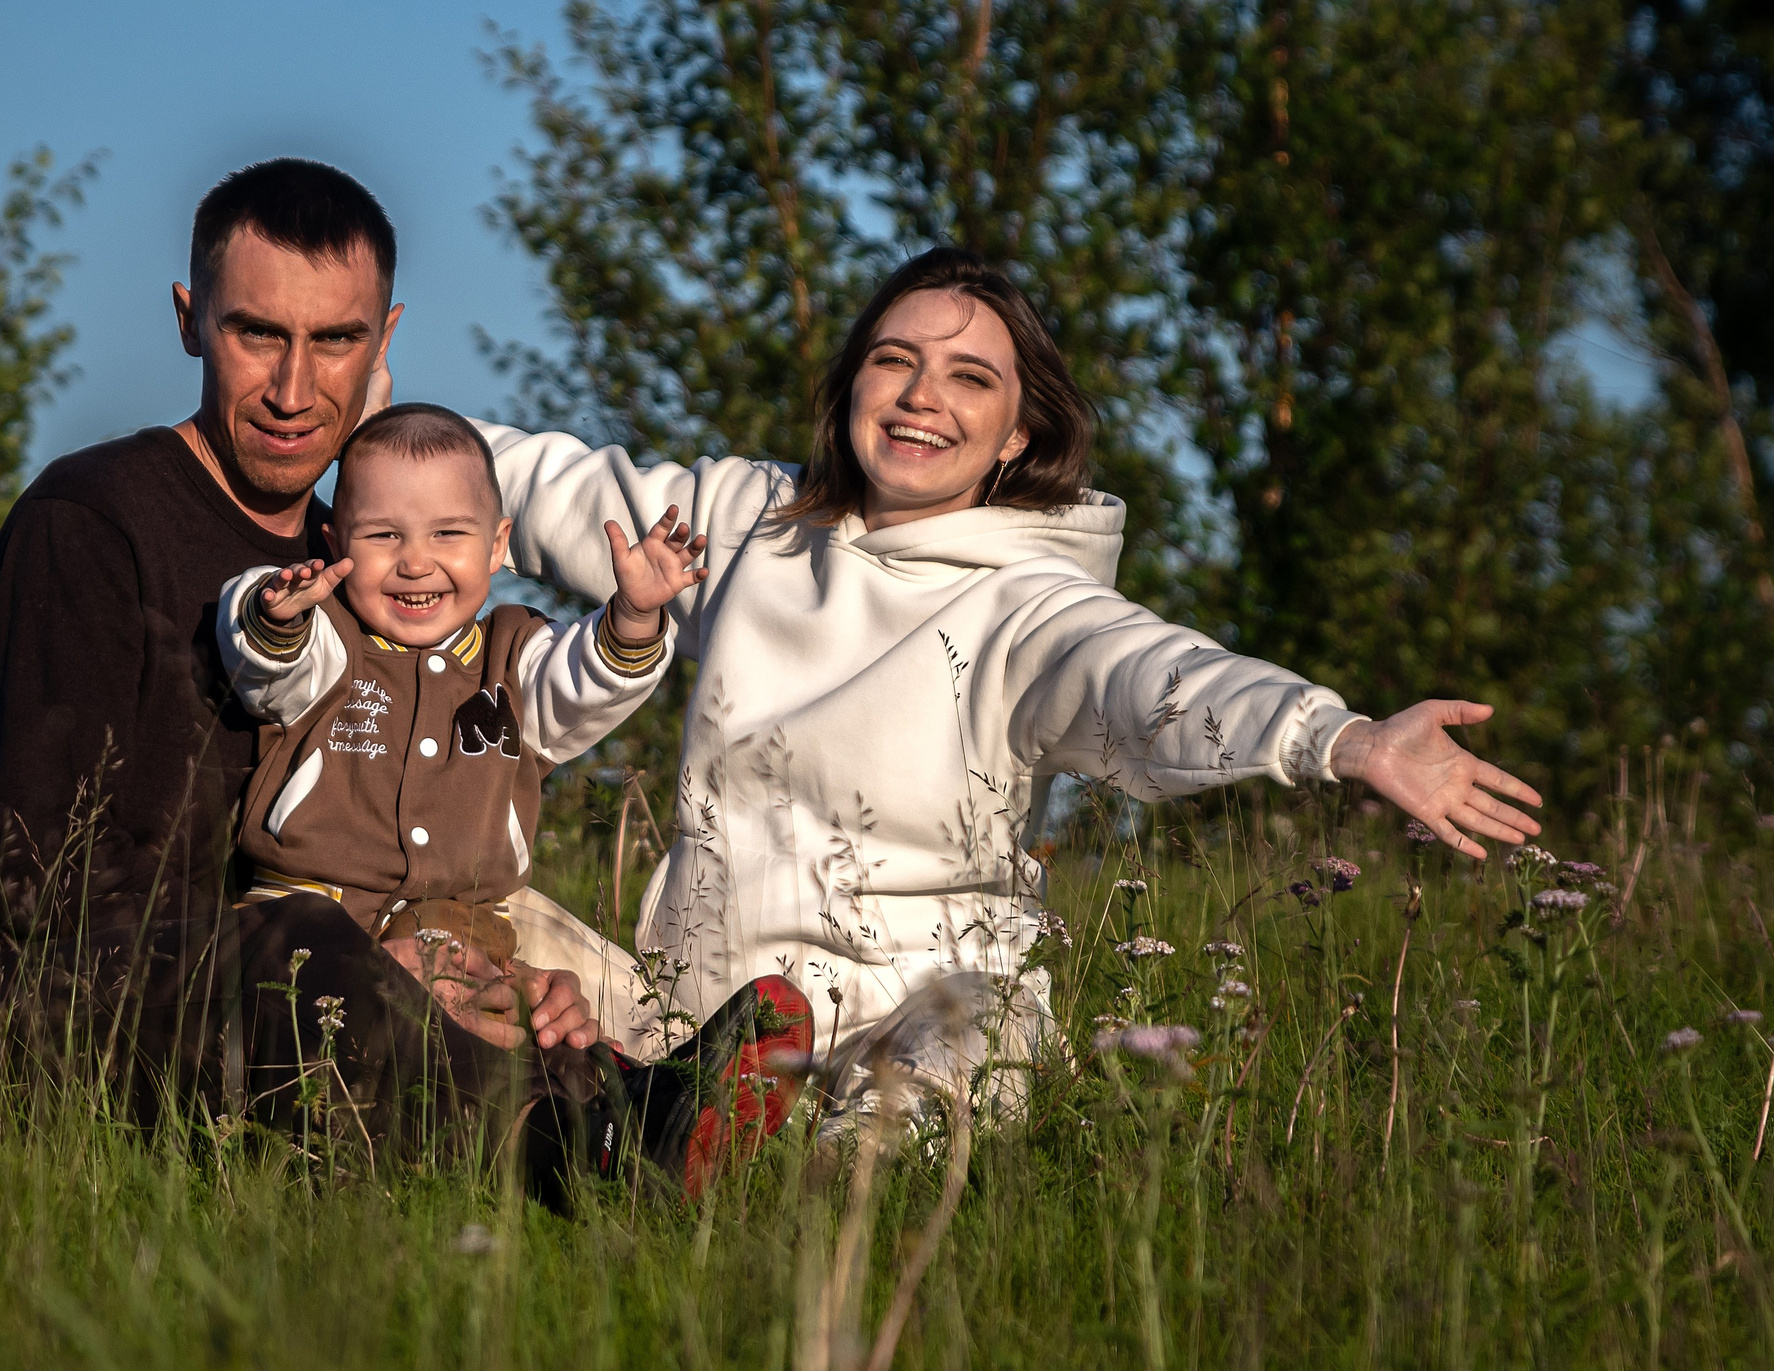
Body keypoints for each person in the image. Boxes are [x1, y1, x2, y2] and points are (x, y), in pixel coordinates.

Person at [0, 158, 802, 1205]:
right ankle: (597, 1154)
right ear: (190, 320)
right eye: (256, 333)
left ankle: (656, 1120)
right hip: (28, 1011)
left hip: (281, 977)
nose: (293, 388)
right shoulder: (93, 521)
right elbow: (46, 880)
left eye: (336, 341)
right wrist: (360, 959)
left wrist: (464, 960)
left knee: (508, 970)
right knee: (308, 941)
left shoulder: (366, 564)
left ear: (385, 343)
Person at [454, 246, 1547, 1104]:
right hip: (688, 1020)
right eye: (895, 361)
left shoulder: (1030, 603)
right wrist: (350, 411)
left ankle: (782, 1162)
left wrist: (1339, 738)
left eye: (968, 377)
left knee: (961, 1057)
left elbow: (1157, 679)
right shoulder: (753, 527)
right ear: (851, 386)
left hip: (914, 1024)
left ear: (1017, 433)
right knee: (438, 919)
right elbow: (545, 487)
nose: (922, 394)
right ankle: (651, 1115)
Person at [217, 401, 816, 1193]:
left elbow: (581, 686)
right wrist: (273, 614)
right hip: (317, 922)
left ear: (499, 544)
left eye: (448, 535)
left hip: (467, 931)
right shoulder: (330, 640)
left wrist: (635, 616)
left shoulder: (512, 653)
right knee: (389, 1043)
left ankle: (650, 1117)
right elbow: (270, 665)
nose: (415, 562)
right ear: (335, 545)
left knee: (541, 1037)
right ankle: (625, 1133)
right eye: (383, 536)